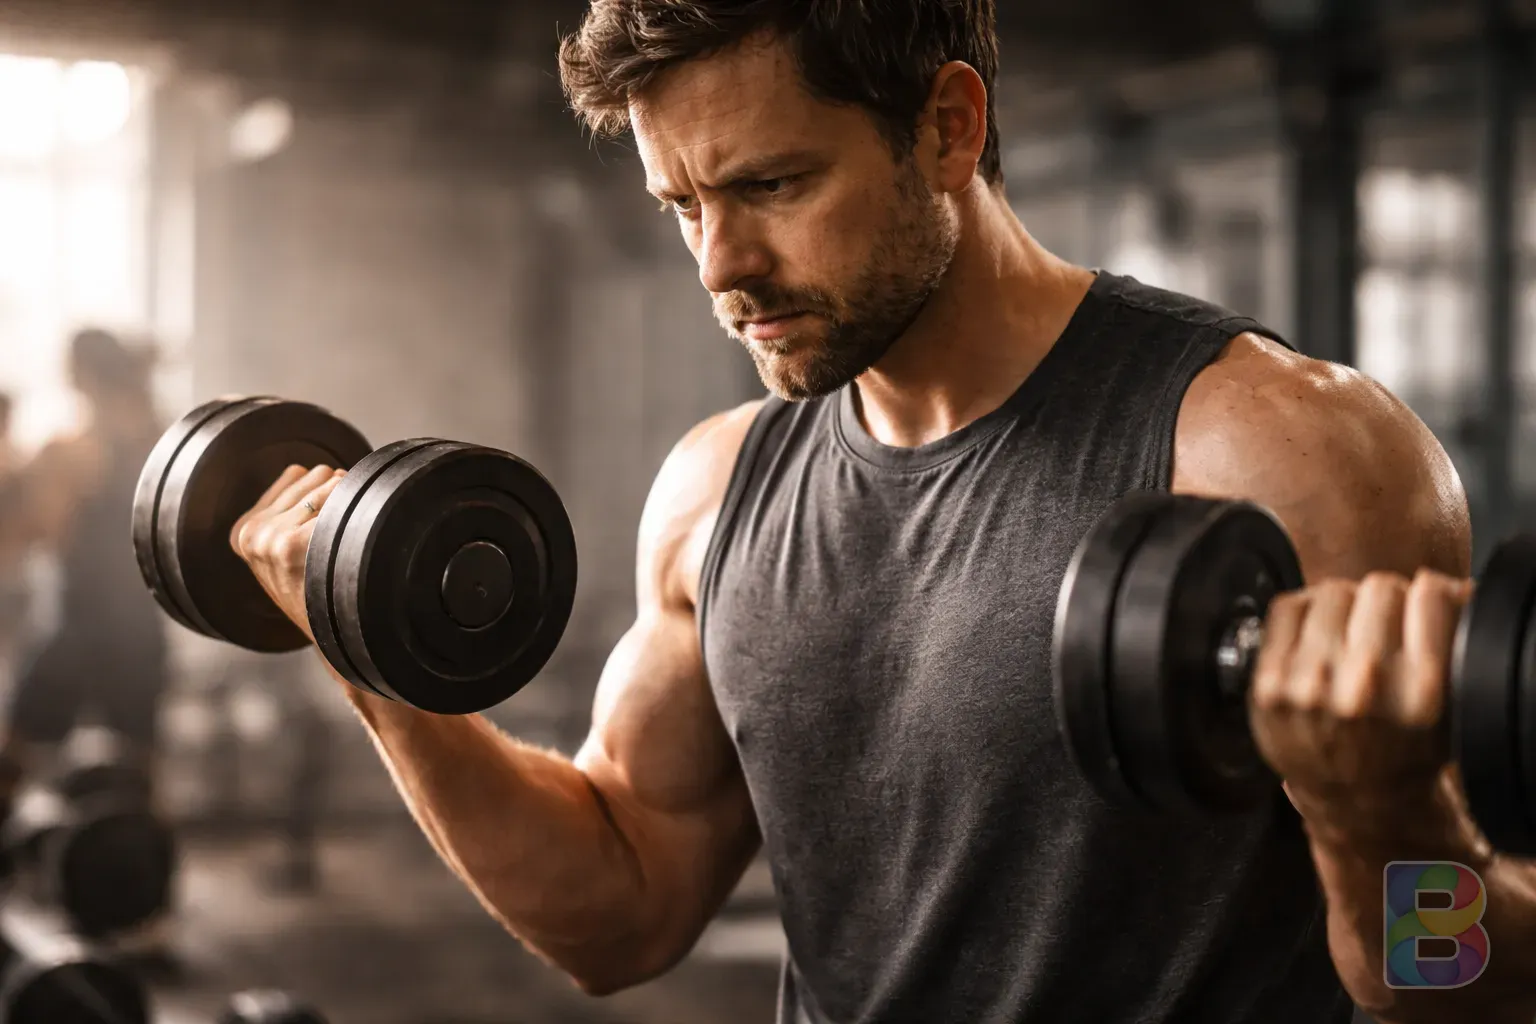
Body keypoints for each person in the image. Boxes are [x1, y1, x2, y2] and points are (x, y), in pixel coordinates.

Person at [228, 3, 1536, 1022]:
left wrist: (1386, 822)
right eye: (683, 206)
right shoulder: (716, 492)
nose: (720, 267)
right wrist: (380, 668)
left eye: (772, 187)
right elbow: (621, 910)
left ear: (949, 128)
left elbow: (1462, 978)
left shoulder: (1284, 454)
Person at [0, 329, 168, 805]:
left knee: (10, 768)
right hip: (137, 632)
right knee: (141, 776)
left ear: (82, 374)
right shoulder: (156, 438)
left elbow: (23, 536)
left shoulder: (72, 452)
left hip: (74, 630)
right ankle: (145, 873)